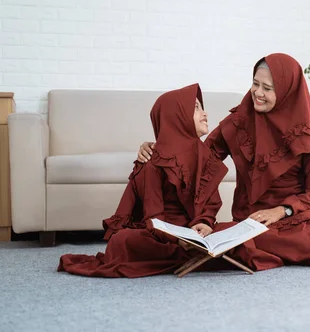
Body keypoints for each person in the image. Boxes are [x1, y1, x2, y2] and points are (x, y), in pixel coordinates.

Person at [138, 54, 310, 271]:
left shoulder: (309, 137)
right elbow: (201, 156)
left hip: (297, 218)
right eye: (255, 84)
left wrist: (281, 210)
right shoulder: (239, 122)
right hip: (252, 219)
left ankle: (241, 245)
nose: (258, 93)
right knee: (230, 234)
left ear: (287, 93)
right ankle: (237, 243)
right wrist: (162, 148)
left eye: (267, 88)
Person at [58, 84, 228, 278]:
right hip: (164, 235)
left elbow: (211, 203)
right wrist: (178, 238)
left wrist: (205, 223)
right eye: (195, 108)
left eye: (202, 107)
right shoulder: (153, 161)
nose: (204, 113)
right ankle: (192, 253)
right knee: (122, 241)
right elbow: (154, 217)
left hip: (197, 231)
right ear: (176, 116)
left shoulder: (205, 157)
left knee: (240, 233)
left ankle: (196, 251)